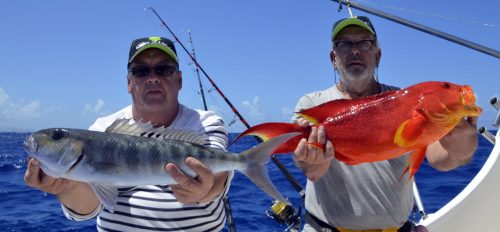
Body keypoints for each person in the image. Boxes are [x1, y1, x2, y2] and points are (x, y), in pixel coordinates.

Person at [24, 36, 232, 231]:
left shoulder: (205, 122)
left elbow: (219, 173)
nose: (152, 78)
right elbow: (87, 209)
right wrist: (66, 188)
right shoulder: (102, 129)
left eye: (163, 70)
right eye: (141, 71)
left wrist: (208, 189)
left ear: (179, 80)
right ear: (129, 83)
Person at [292, 16, 478, 232]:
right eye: (344, 44)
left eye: (364, 43)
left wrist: (463, 141)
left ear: (378, 56)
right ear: (333, 58)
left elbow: (441, 160)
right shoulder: (312, 105)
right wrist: (313, 165)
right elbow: (311, 171)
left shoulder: (404, 100)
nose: (354, 51)